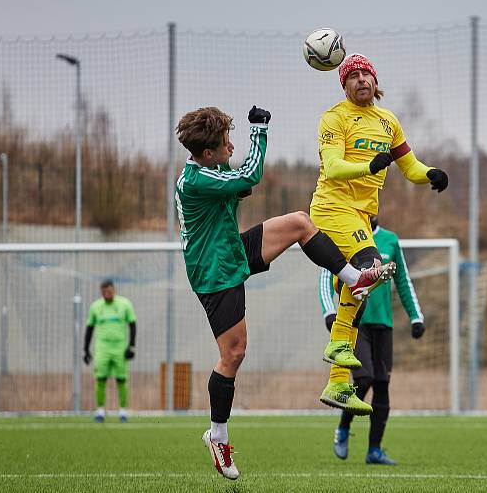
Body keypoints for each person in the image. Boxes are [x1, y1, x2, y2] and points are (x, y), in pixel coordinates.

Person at [175, 105, 390, 481]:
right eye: (226, 141)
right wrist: (260, 129)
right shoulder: (197, 180)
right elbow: (250, 176)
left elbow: (238, 182)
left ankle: (353, 277)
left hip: (231, 248)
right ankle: (218, 435)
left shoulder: (211, 167)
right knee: (234, 354)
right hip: (214, 271)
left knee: (300, 223)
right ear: (207, 153)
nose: (231, 145)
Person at [312, 54, 448, 416]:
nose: (360, 79)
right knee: (371, 266)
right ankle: (340, 343)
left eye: (365, 73)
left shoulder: (388, 122)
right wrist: (369, 165)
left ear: (375, 80)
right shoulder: (334, 118)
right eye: (352, 75)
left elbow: (409, 165)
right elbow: (335, 167)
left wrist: (430, 173)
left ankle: (339, 382)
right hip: (332, 209)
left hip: (360, 214)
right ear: (344, 84)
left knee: (364, 278)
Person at [319, 215, 426, 465]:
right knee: (364, 377)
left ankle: (374, 450)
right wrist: (328, 311)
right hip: (357, 324)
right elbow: (326, 275)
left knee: (382, 383)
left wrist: (415, 317)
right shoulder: (345, 234)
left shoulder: (390, 240)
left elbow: (402, 280)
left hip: (384, 324)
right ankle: (344, 426)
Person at [83, 279, 137, 423]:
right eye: (104, 291)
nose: (107, 293)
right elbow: (89, 328)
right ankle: (100, 410)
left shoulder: (125, 304)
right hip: (102, 349)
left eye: (109, 290)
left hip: (120, 348)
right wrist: (86, 350)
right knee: (100, 378)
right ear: (101, 292)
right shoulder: (95, 307)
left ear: (114, 290)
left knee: (121, 379)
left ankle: (123, 411)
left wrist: (131, 346)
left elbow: (132, 324)